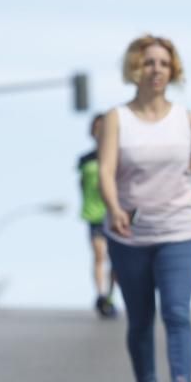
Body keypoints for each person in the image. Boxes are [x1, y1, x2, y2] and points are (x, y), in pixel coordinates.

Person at [98, 34, 191, 382]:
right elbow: (105, 170)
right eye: (149, 63)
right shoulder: (117, 118)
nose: (157, 70)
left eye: (164, 63)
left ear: (173, 70)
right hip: (129, 234)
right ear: (135, 68)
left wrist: (189, 170)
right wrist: (114, 208)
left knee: (178, 312)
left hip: (179, 229)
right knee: (141, 318)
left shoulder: (187, 118)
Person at [78, 113, 117, 318]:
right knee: (99, 255)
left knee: (116, 259)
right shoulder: (84, 160)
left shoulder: (119, 156)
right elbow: (82, 186)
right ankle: (100, 294)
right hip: (94, 214)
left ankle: (111, 295)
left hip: (115, 213)